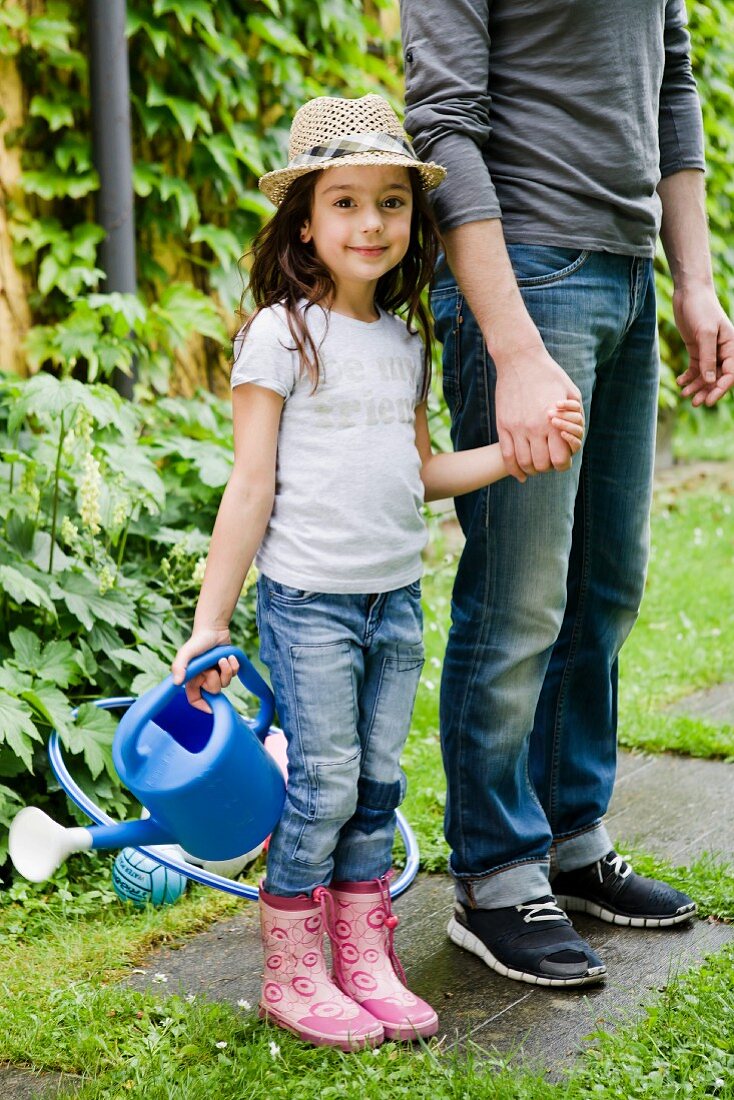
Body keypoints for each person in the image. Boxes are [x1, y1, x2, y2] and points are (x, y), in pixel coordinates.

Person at [171, 93, 585, 1049]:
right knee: (322, 781)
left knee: (378, 780)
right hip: (310, 601)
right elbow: (249, 486)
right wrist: (210, 623)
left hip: (394, 600)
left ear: (413, 219)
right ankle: (292, 968)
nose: (371, 223)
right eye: (346, 202)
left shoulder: (407, 343)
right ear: (305, 222)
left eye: (392, 203)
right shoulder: (281, 334)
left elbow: (418, 472)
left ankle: (361, 956)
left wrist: (513, 455)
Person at [400, 0, 734, 989]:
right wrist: (510, 346)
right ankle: (495, 873)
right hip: (529, 269)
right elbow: (443, 123)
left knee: (604, 587)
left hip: (627, 269)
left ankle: (568, 838)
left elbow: (670, 84)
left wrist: (693, 279)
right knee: (519, 597)